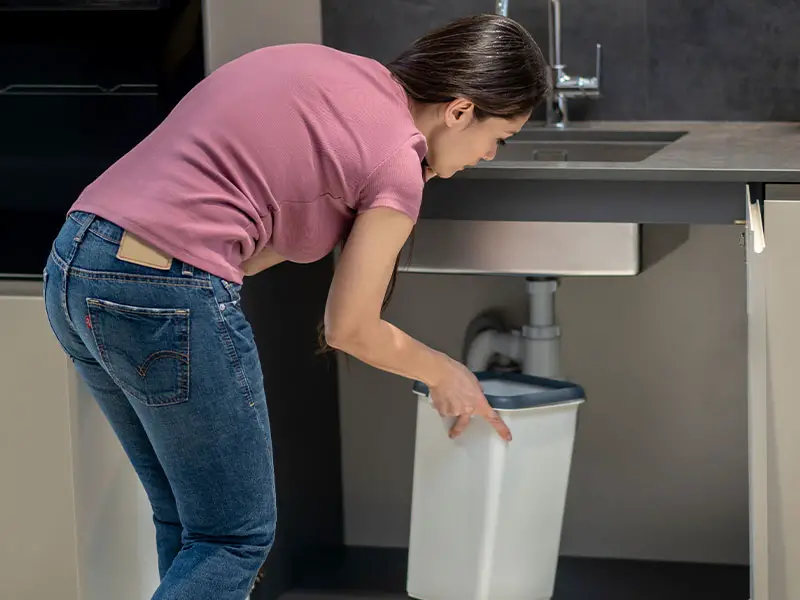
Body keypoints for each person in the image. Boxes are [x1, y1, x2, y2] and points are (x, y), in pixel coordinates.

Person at [42, 12, 549, 600]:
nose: (489, 155)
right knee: (232, 538)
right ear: (460, 111)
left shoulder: (333, 71)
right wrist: (446, 372)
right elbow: (350, 329)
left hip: (77, 263)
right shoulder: (395, 164)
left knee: (190, 525)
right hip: (165, 289)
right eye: (499, 138)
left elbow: (250, 217)